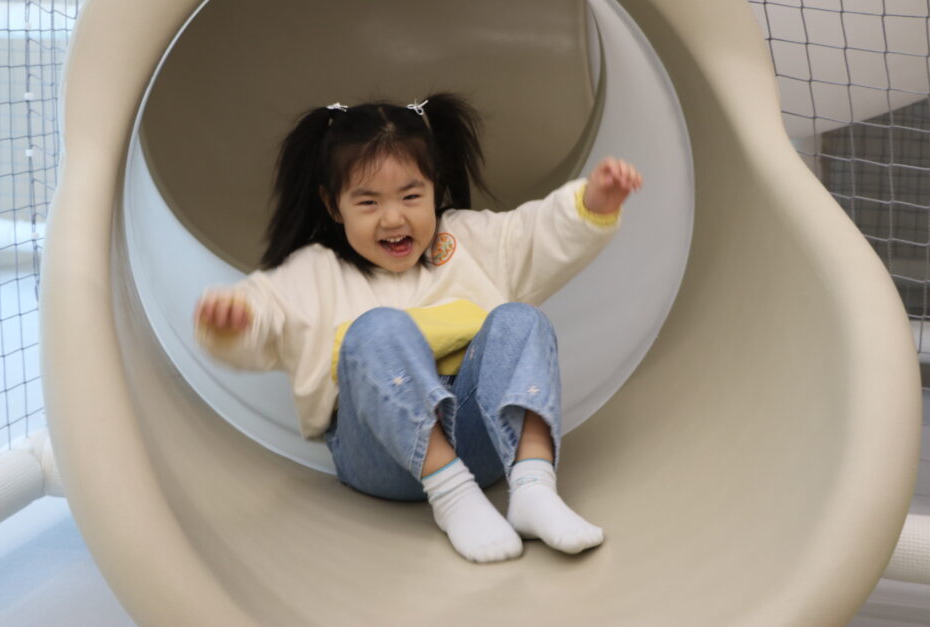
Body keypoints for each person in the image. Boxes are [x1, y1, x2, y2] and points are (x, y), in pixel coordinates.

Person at [194, 93, 642, 563]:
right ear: (333, 205)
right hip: (378, 458)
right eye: (368, 202)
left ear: (435, 187)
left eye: (411, 196)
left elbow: (534, 235)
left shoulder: (466, 240)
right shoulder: (316, 272)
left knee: (521, 319)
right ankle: (453, 496)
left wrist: (592, 202)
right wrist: (233, 320)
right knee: (377, 330)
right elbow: (266, 310)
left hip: (481, 443)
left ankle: (533, 486)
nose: (394, 218)